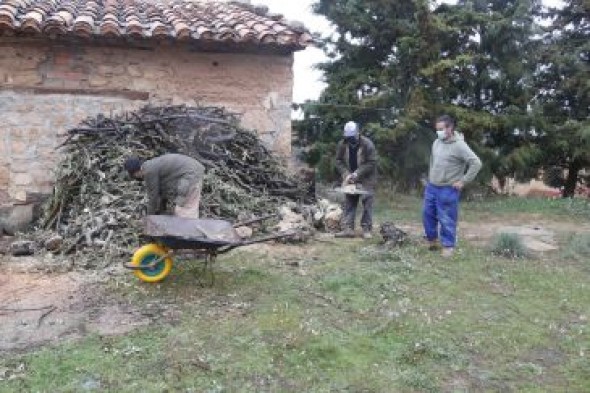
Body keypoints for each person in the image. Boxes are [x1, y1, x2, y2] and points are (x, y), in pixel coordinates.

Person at [423, 115, 482, 257]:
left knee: (446, 218)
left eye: (441, 129)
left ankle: (448, 246)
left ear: (450, 128)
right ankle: (432, 241)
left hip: (448, 188)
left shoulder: (459, 145)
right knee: (427, 215)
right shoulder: (436, 142)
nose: (439, 132)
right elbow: (433, 161)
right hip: (432, 187)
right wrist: (430, 177)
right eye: (437, 129)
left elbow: (476, 163)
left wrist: (463, 181)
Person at [124, 153, 205, 218]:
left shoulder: (149, 171)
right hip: (194, 170)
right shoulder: (150, 165)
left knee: (183, 210)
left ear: (136, 172)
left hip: (190, 175)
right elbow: (162, 192)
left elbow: (153, 197)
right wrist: (161, 210)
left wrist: (149, 218)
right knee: (189, 207)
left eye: (134, 175)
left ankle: (188, 235)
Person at [335, 121, 377, 239]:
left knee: (367, 202)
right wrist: (346, 173)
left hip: (367, 177)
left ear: (358, 133)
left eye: (352, 137)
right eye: (348, 137)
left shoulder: (368, 144)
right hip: (350, 176)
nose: (350, 140)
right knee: (349, 202)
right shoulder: (342, 144)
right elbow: (338, 161)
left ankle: (366, 228)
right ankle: (348, 228)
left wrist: (357, 173)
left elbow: (371, 162)